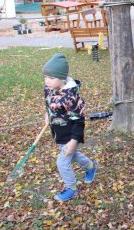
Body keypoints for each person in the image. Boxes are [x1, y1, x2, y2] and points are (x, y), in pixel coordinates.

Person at [42, 53, 98, 202]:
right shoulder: (49, 88)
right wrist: (48, 114)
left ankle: (71, 188)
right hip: (59, 133)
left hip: (71, 134)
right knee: (73, 156)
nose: (47, 81)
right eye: (46, 77)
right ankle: (91, 166)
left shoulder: (71, 98)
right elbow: (49, 103)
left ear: (61, 79)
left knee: (62, 161)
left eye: (51, 78)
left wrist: (73, 141)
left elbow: (79, 122)